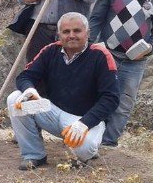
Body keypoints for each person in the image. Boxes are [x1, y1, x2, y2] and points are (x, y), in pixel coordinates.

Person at [7, 12, 119, 169]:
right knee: (15, 99)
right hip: (52, 113)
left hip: (85, 120)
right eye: (66, 32)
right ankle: (34, 155)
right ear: (59, 34)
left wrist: (84, 123)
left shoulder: (100, 55)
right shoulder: (50, 51)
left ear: (87, 33)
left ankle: (89, 151)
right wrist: (29, 90)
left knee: (84, 149)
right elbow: (25, 76)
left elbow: (111, 98)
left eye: (77, 31)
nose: (71, 35)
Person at [88, 0, 153, 147]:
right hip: (107, 56)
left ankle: (108, 143)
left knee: (124, 104)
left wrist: (151, 46)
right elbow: (96, 20)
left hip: (136, 62)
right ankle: (89, 139)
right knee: (97, 97)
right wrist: (90, 45)